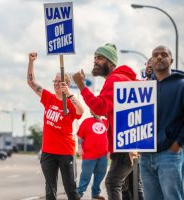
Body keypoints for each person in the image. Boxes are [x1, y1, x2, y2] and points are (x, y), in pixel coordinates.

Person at [73, 43, 137, 200]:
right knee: (131, 188)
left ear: (111, 63)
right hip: (130, 139)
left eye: (100, 58)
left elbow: (100, 107)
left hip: (124, 142)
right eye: (95, 57)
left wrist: (81, 85)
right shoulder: (123, 78)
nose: (95, 61)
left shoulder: (114, 80)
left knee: (112, 183)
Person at [27, 52, 84, 200]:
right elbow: (31, 82)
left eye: (60, 81)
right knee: (50, 189)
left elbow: (81, 111)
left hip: (65, 151)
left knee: (70, 188)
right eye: (55, 81)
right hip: (48, 151)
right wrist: (31, 62)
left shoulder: (71, 102)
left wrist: (69, 94)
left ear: (66, 84)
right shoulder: (48, 98)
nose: (56, 83)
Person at [139, 45, 184, 200]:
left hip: (169, 154)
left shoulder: (181, 85)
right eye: (155, 55)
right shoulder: (142, 88)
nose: (159, 57)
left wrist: (178, 143)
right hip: (145, 155)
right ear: (150, 61)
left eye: (164, 54)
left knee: (173, 197)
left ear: (171, 59)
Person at [77, 111, 108, 200]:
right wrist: (79, 147)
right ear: (91, 112)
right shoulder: (86, 121)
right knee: (86, 175)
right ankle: (79, 193)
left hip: (103, 154)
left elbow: (110, 136)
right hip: (89, 154)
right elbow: (80, 136)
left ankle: (95, 193)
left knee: (101, 174)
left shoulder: (106, 122)